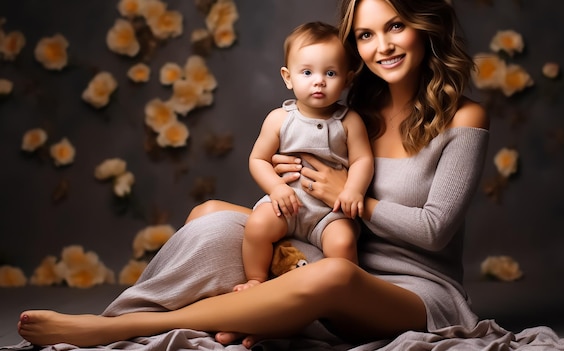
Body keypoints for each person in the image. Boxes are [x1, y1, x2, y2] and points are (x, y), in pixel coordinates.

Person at [17, 0, 489, 348]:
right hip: (335, 248)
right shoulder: (352, 109)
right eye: (365, 35)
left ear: (425, 26)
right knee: (211, 215)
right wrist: (294, 173)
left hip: (415, 293)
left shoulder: (464, 118)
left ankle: (122, 328)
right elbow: (295, 168)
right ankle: (234, 311)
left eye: (395, 27)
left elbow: (434, 231)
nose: (381, 46)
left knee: (332, 278)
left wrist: (348, 194)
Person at [234, 21, 373, 291]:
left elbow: (362, 160)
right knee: (258, 226)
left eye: (330, 73)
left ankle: (351, 295)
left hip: (329, 212)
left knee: (343, 243)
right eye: (307, 72)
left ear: (347, 79)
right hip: (287, 204)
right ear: (288, 77)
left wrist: (354, 190)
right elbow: (258, 160)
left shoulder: (349, 121)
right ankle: (255, 279)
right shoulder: (279, 119)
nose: (319, 81)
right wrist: (275, 188)